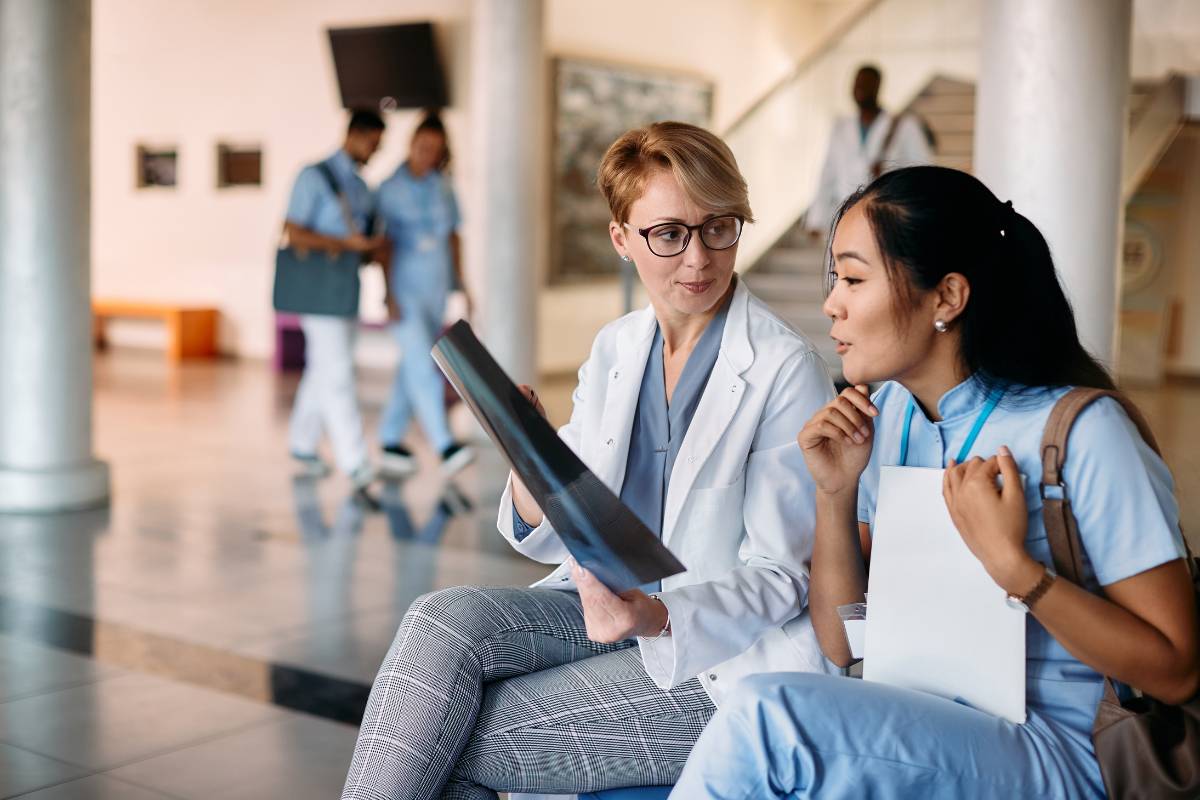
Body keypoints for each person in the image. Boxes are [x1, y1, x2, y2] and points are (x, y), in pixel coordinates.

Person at [341, 121, 837, 800]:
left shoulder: (785, 369)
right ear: (621, 238)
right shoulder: (617, 348)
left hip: (717, 656)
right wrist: (529, 463)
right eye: (669, 234)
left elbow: (783, 578)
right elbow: (553, 530)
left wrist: (653, 618)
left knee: (452, 734)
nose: (698, 259)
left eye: (719, 227)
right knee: (437, 621)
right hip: (602, 610)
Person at [669, 166, 1200, 799]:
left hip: (1062, 748)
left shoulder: (1083, 432)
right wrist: (834, 494)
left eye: (855, 278)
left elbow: (1174, 670)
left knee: (767, 718)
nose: (831, 303)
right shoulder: (888, 417)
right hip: (924, 711)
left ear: (946, 298)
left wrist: (1016, 571)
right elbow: (841, 643)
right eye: (836, 278)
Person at [284, 109, 388, 489]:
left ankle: (302, 443)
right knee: (339, 371)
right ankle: (355, 460)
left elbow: (362, 242)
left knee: (323, 367)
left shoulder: (361, 187)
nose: (374, 152)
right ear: (355, 135)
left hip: (346, 286)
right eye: (373, 143)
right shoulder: (313, 177)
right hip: (317, 289)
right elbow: (293, 232)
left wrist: (365, 249)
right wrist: (342, 244)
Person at [375, 111, 476, 478]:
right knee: (423, 364)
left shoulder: (444, 187)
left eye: (434, 149)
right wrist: (387, 295)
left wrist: (463, 285)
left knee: (412, 364)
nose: (427, 153)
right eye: (422, 146)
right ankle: (444, 444)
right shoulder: (388, 189)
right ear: (411, 144)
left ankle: (388, 439)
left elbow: (453, 237)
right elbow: (382, 246)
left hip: (436, 289)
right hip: (404, 289)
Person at [805, 64, 932, 238]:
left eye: (865, 84)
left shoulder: (905, 126)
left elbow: (924, 173)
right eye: (856, 84)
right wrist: (816, 218)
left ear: (878, 86)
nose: (859, 89)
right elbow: (828, 174)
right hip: (847, 216)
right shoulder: (841, 127)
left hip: (887, 218)